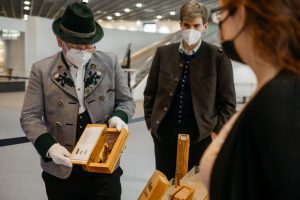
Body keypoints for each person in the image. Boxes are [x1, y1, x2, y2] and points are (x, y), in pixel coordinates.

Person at [20, 2, 135, 200]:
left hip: (104, 163)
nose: (83, 52)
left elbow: (126, 101)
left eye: (88, 46)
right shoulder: (41, 70)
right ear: (59, 41)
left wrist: (119, 117)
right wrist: (48, 146)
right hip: (62, 169)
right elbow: (29, 116)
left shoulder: (110, 62)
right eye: (76, 46)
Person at [199, 0, 300, 199]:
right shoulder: (276, 89)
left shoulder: (278, 101)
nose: (220, 25)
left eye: (222, 14)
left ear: (241, 14)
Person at [143, 1, 236, 180]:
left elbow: (228, 103)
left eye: (196, 25)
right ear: (180, 25)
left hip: (200, 137)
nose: (191, 30)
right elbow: (150, 93)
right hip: (164, 136)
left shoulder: (218, 57)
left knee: (194, 187)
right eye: (187, 25)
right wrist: (151, 123)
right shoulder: (163, 53)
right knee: (164, 184)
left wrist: (215, 132)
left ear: (205, 26)